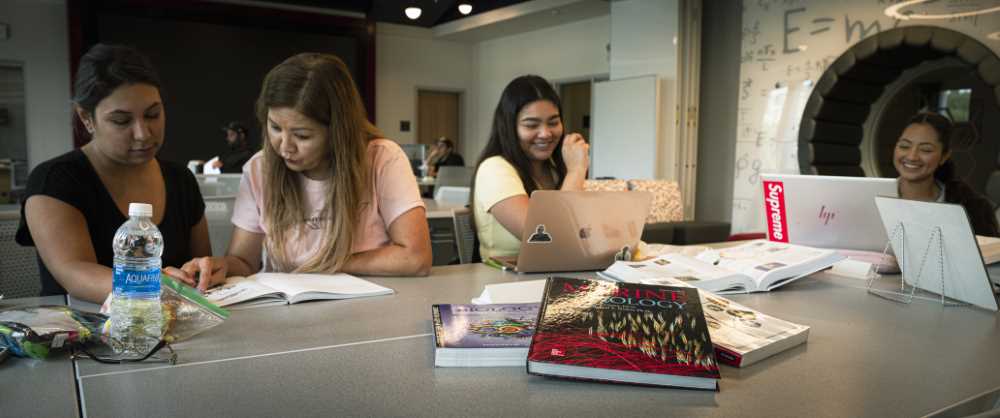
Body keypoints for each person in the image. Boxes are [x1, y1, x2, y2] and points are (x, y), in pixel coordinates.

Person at [167, 53, 432, 291]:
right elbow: (244, 261)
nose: (284, 147)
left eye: (302, 135)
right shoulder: (261, 168)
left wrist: (327, 264)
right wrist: (220, 266)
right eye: (274, 128)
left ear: (339, 132)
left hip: (367, 311)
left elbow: (415, 257)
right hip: (288, 315)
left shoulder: (381, 158)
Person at [16, 44, 211, 303]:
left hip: (172, 327)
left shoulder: (180, 180)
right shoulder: (55, 180)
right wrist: (152, 284)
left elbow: (197, 265)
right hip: (81, 333)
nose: (143, 133)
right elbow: (74, 272)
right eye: (121, 121)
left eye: (153, 114)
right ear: (86, 118)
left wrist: (204, 271)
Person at [471, 75, 590, 260]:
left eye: (553, 122)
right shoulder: (494, 168)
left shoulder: (553, 169)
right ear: (510, 127)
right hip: (506, 282)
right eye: (531, 125)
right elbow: (548, 241)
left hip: (556, 274)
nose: (545, 133)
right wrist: (576, 171)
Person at [894, 111, 999, 237]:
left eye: (926, 149)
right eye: (904, 146)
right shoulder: (871, 195)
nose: (912, 156)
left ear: (944, 156)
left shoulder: (972, 209)